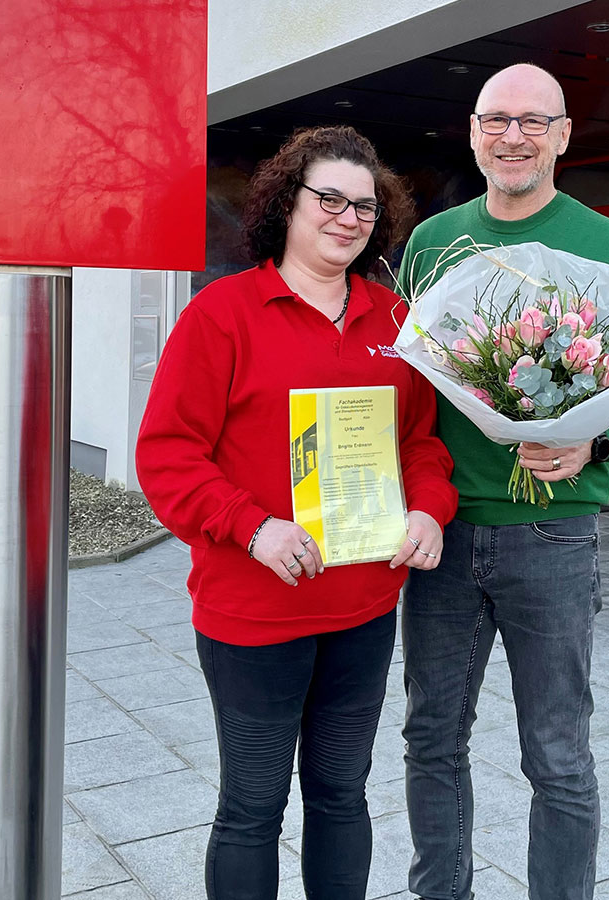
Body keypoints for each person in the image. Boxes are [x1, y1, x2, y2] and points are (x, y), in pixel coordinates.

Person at [135, 125, 458, 900]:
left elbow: (421, 443)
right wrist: (253, 526)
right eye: (330, 199)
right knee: (252, 805)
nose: (348, 218)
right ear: (287, 203)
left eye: (365, 207)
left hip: (363, 609)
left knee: (341, 794)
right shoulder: (222, 314)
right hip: (254, 616)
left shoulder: (394, 320)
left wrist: (429, 511)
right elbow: (168, 454)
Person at [399, 64, 609, 900]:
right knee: (431, 739)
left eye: (532, 121)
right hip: (442, 534)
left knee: (556, 753)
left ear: (561, 135)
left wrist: (593, 442)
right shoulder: (431, 241)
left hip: (554, 532)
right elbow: (413, 384)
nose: (512, 135)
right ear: (474, 132)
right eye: (496, 120)